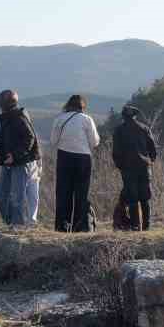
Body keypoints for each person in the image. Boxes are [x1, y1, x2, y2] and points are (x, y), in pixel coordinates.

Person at [51, 94, 100, 233]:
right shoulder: (87, 119)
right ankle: (80, 227)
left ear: (68, 105)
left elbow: (53, 141)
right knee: (81, 193)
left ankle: (62, 226)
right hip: (83, 158)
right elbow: (95, 142)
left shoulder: (60, 119)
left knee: (63, 193)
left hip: (64, 157)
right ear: (82, 106)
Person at [0, 89, 40, 228]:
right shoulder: (9, 117)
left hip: (20, 162)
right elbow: (14, 139)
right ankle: (12, 224)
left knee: (16, 198)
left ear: (3, 104)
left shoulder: (18, 117)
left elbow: (29, 138)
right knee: (3, 198)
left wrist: (15, 155)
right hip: (10, 161)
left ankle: (17, 226)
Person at [112, 105, 158, 230]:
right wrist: (150, 161)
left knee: (132, 198)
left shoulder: (119, 130)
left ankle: (135, 225)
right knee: (145, 198)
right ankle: (147, 225)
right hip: (144, 167)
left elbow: (116, 152)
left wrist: (120, 166)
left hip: (128, 169)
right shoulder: (144, 129)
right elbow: (153, 150)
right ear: (135, 115)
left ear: (123, 116)